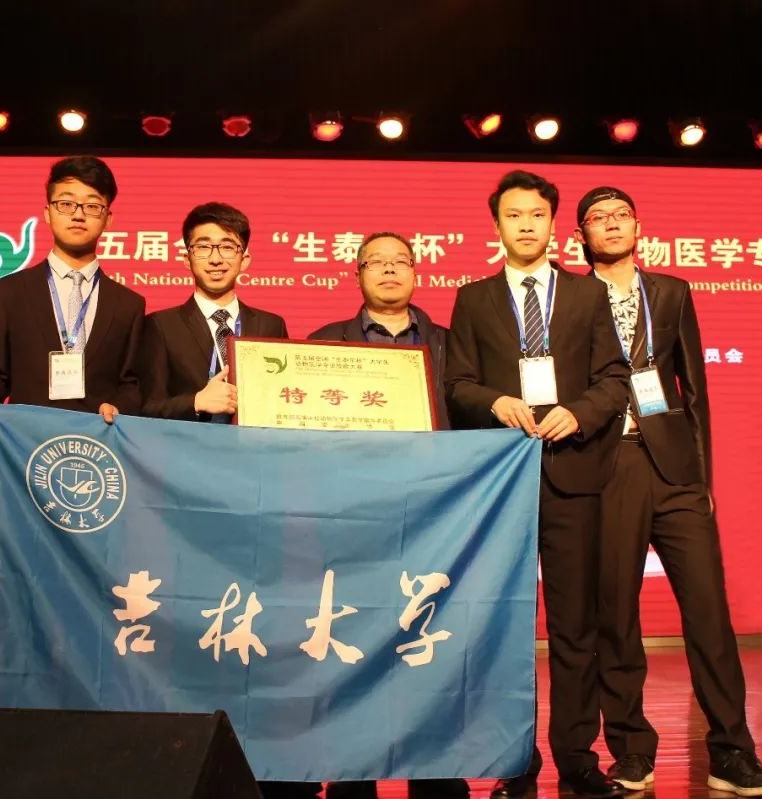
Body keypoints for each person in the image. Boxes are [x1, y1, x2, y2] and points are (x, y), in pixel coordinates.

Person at [575, 186, 762, 796]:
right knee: (615, 614)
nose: (612, 225)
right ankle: (633, 751)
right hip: (608, 465)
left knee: (709, 613)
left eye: (621, 216)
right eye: (598, 218)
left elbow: (694, 387)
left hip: (674, 470)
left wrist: (702, 478)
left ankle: (733, 752)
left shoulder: (671, 291)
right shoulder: (571, 298)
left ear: (638, 226)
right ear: (582, 235)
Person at [444, 170, 629, 799]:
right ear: (496, 224)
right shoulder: (473, 298)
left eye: (537, 214)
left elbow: (614, 379)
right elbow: (457, 383)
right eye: (513, 215)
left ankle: (577, 758)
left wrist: (579, 412)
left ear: (554, 224)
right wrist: (494, 402)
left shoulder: (587, 294)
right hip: (502, 481)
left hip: (573, 475)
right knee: (505, 628)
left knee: (576, 626)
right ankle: (513, 760)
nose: (526, 225)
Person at [309, 232, 459, 799]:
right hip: (353, 521)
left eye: (401, 261)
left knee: (433, 648)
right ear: (357, 274)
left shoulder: (451, 344)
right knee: (352, 648)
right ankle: (352, 777)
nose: (390, 270)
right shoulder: (325, 343)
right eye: (377, 262)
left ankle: (438, 778)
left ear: (417, 271)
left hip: (435, 518)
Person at [0, 155, 144, 426]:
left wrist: (120, 407)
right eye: (66, 204)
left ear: (108, 219)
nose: (78, 215)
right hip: (27, 438)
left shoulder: (129, 304)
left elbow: (130, 383)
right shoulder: (8, 292)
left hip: (98, 440)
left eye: (92, 206)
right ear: (47, 213)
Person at [139, 202, 288, 423]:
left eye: (227, 247)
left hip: (255, 443)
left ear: (244, 260)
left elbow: (284, 398)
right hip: (189, 443)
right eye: (203, 247)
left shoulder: (271, 325)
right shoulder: (161, 325)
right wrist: (195, 402)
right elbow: (147, 408)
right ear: (187, 259)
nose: (215, 259)